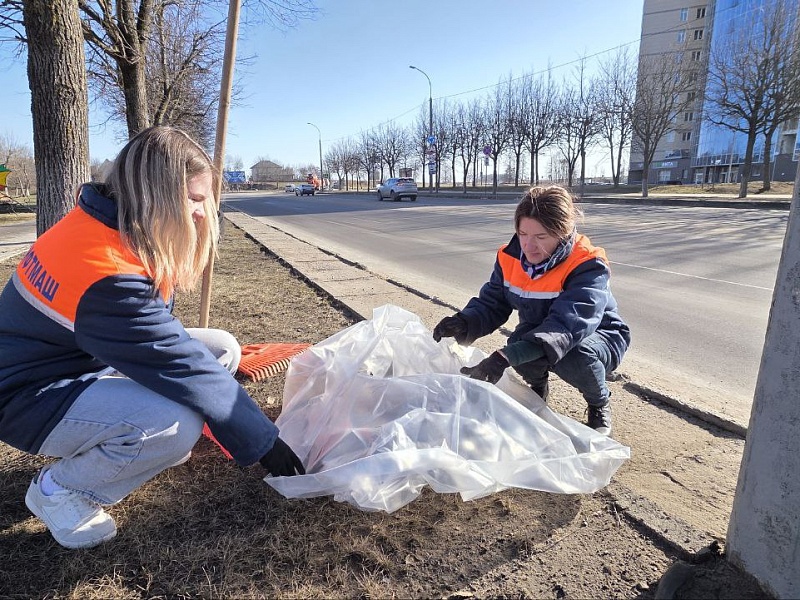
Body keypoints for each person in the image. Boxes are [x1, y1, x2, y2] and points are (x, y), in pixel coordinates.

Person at [0, 126, 304, 550]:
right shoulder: (106, 274)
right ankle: (60, 490)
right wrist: (263, 443)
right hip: (25, 396)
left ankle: (130, 443)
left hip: (74, 359)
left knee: (221, 348)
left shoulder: (108, 221)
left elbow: (169, 346)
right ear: (156, 194)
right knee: (175, 425)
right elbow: (179, 363)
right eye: (194, 199)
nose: (203, 212)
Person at [432, 185, 630, 436]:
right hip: (540, 330)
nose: (528, 245)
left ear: (563, 233)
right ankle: (538, 388)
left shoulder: (588, 265)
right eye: (523, 233)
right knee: (517, 342)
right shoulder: (510, 257)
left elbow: (567, 327)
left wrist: (504, 358)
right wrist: (464, 322)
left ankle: (598, 402)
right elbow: (493, 302)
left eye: (541, 237)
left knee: (568, 355)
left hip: (595, 337)